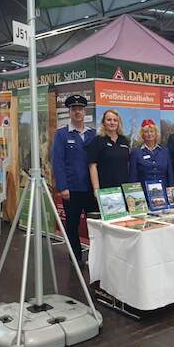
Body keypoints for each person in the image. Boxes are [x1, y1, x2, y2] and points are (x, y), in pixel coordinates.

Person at [51, 94, 97, 266]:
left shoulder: (93, 134)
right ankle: (76, 258)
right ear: (69, 112)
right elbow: (57, 162)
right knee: (72, 226)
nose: (77, 112)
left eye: (80, 109)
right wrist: (63, 187)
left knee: (95, 226)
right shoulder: (62, 134)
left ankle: (95, 258)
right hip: (72, 190)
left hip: (91, 190)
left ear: (85, 111)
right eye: (74, 109)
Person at [88, 109, 130, 191]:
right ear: (103, 122)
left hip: (123, 188)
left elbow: (128, 164)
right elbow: (92, 166)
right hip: (105, 189)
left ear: (118, 123)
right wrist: (96, 190)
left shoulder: (124, 140)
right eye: (109, 120)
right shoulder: (97, 140)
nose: (112, 122)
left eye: (115, 120)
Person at [129, 119, 174, 187]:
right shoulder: (136, 153)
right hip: (144, 194)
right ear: (142, 134)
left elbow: (170, 176)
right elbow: (133, 177)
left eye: (152, 131)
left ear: (156, 133)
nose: (149, 134)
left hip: (163, 193)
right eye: (146, 132)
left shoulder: (165, 152)